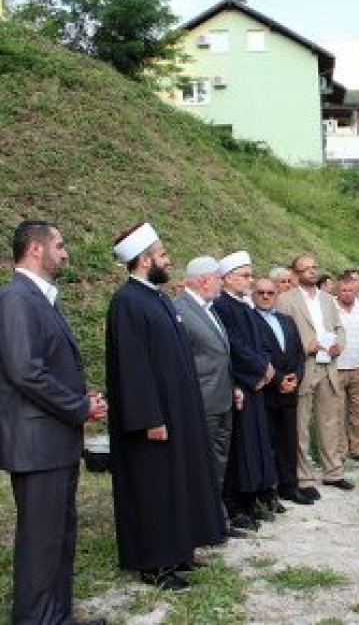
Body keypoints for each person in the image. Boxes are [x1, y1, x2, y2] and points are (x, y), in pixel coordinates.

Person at [106, 222, 225, 591]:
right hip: (153, 419)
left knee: (176, 485)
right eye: (161, 254)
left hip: (177, 412)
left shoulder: (154, 297)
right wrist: (149, 418)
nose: (167, 259)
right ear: (144, 260)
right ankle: (154, 563)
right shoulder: (127, 302)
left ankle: (176, 552)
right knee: (154, 489)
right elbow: (133, 368)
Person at [0, 221, 108, 623]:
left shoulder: (40, 299)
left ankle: (57, 616)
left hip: (54, 440)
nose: (65, 253)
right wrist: (80, 407)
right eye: (59, 245)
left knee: (59, 538)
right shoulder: (16, 298)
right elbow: (26, 371)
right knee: (41, 543)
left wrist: (83, 398)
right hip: (37, 444)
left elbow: (50, 366)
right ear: (35, 249)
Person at [173, 256, 241, 532]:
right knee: (202, 465)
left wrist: (232, 387)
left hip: (221, 399)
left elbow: (220, 355)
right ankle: (202, 522)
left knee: (217, 463)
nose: (221, 283)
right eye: (217, 278)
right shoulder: (180, 310)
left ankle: (215, 519)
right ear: (203, 280)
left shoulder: (208, 309)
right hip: (201, 401)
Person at [212, 251, 280, 526]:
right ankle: (235, 504)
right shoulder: (222, 306)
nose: (250, 281)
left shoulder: (245, 306)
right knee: (240, 448)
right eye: (245, 275)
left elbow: (261, 341)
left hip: (256, 383)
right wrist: (258, 370)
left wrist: (267, 366)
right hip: (240, 384)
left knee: (257, 446)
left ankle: (253, 500)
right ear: (228, 278)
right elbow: (233, 346)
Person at [277, 253, 352, 494]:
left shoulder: (328, 299)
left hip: (328, 365)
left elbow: (339, 328)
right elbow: (282, 335)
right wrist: (304, 346)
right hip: (304, 366)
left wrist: (339, 344)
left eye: (313, 267)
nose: (312, 271)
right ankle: (304, 477)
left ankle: (333, 472)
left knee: (329, 422)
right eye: (305, 269)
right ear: (296, 274)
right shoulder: (286, 300)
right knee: (301, 425)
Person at [251, 278, 313, 506]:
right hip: (267, 390)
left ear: (276, 295)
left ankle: (289, 486)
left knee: (289, 440)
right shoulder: (251, 321)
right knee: (266, 442)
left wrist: (295, 377)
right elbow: (257, 355)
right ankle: (268, 491)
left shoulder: (287, 321)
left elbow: (298, 353)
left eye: (270, 292)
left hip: (290, 389)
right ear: (253, 294)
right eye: (261, 292)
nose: (266, 296)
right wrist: (277, 380)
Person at [334, 273, 359, 462]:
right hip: (336, 367)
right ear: (337, 290)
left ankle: (358, 449)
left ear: (356, 289)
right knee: (337, 411)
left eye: (351, 290)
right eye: (343, 290)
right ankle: (340, 451)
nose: (347, 294)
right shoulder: (330, 307)